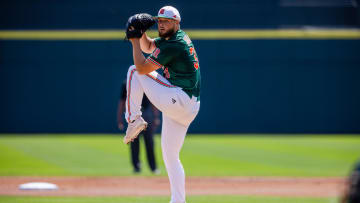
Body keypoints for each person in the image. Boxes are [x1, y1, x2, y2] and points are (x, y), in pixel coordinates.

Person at [123, 6, 201, 203]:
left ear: (176, 23)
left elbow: (142, 67)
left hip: (179, 98)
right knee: (171, 157)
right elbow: (149, 46)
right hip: (185, 106)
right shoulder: (173, 39)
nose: (161, 24)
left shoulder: (174, 44)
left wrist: (133, 40)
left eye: (166, 21)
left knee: (134, 71)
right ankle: (178, 201)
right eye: (159, 20)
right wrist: (140, 35)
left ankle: (134, 119)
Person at [117, 80, 160, 174]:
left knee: (149, 142)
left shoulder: (146, 82)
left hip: (146, 114)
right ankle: (136, 166)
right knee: (134, 142)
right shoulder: (127, 83)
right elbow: (122, 101)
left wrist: (156, 116)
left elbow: (152, 100)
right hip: (134, 115)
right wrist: (119, 118)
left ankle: (153, 167)